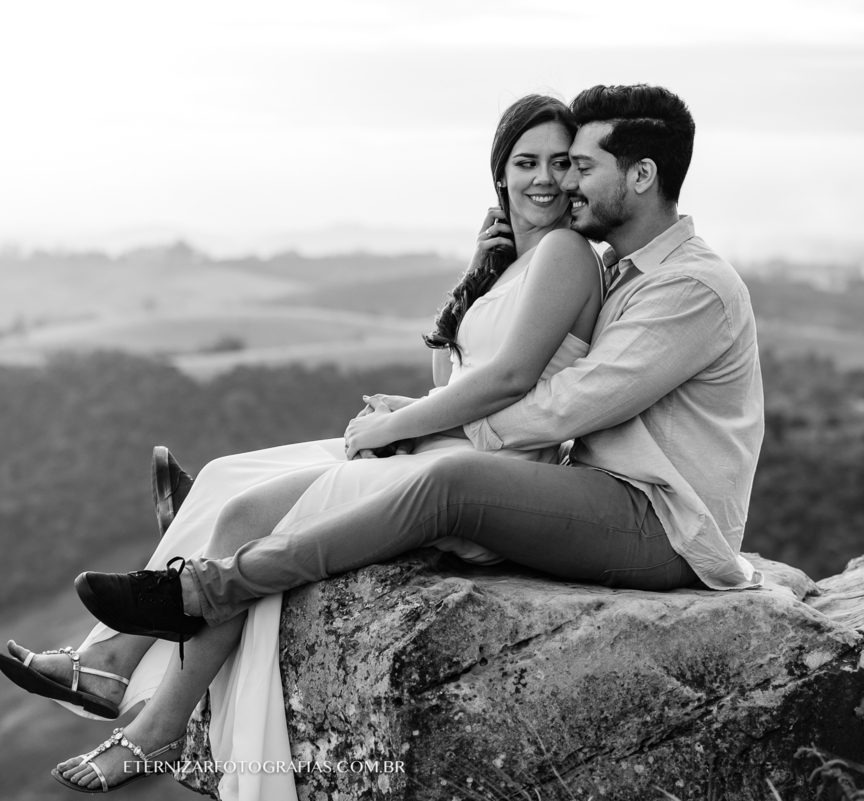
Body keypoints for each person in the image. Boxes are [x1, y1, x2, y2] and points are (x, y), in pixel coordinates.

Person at [68, 83, 767, 795]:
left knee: (449, 482)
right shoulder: (624, 270)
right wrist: (437, 395)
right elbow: (512, 377)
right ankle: (191, 581)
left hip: (662, 523)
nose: (566, 184)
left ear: (642, 175)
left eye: (582, 167)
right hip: (600, 493)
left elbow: (564, 406)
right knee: (381, 469)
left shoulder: (690, 286)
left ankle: (206, 586)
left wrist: (438, 425)